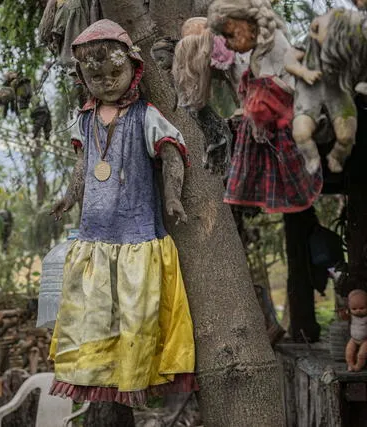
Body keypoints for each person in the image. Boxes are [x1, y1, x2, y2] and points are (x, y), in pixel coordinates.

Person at [48, 19, 197, 407]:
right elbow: (83, 165)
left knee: (138, 316)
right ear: (83, 76)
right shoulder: (83, 120)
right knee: (94, 319)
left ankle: (136, 375)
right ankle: (101, 373)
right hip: (94, 239)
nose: (107, 81)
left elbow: (170, 153)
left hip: (137, 238)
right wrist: (69, 196)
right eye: (96, 76)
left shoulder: (146, 115)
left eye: (115, 72)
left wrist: (173, 197)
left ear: (133, 67)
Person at [207, 0, 322, 214]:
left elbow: (277, 88)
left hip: (286, 113)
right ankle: (250, 187)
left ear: (251, 25)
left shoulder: (275, 45)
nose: (229, 44)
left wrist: (256, 106)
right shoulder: (258, 52)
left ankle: (257, 186)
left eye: (230, 36)